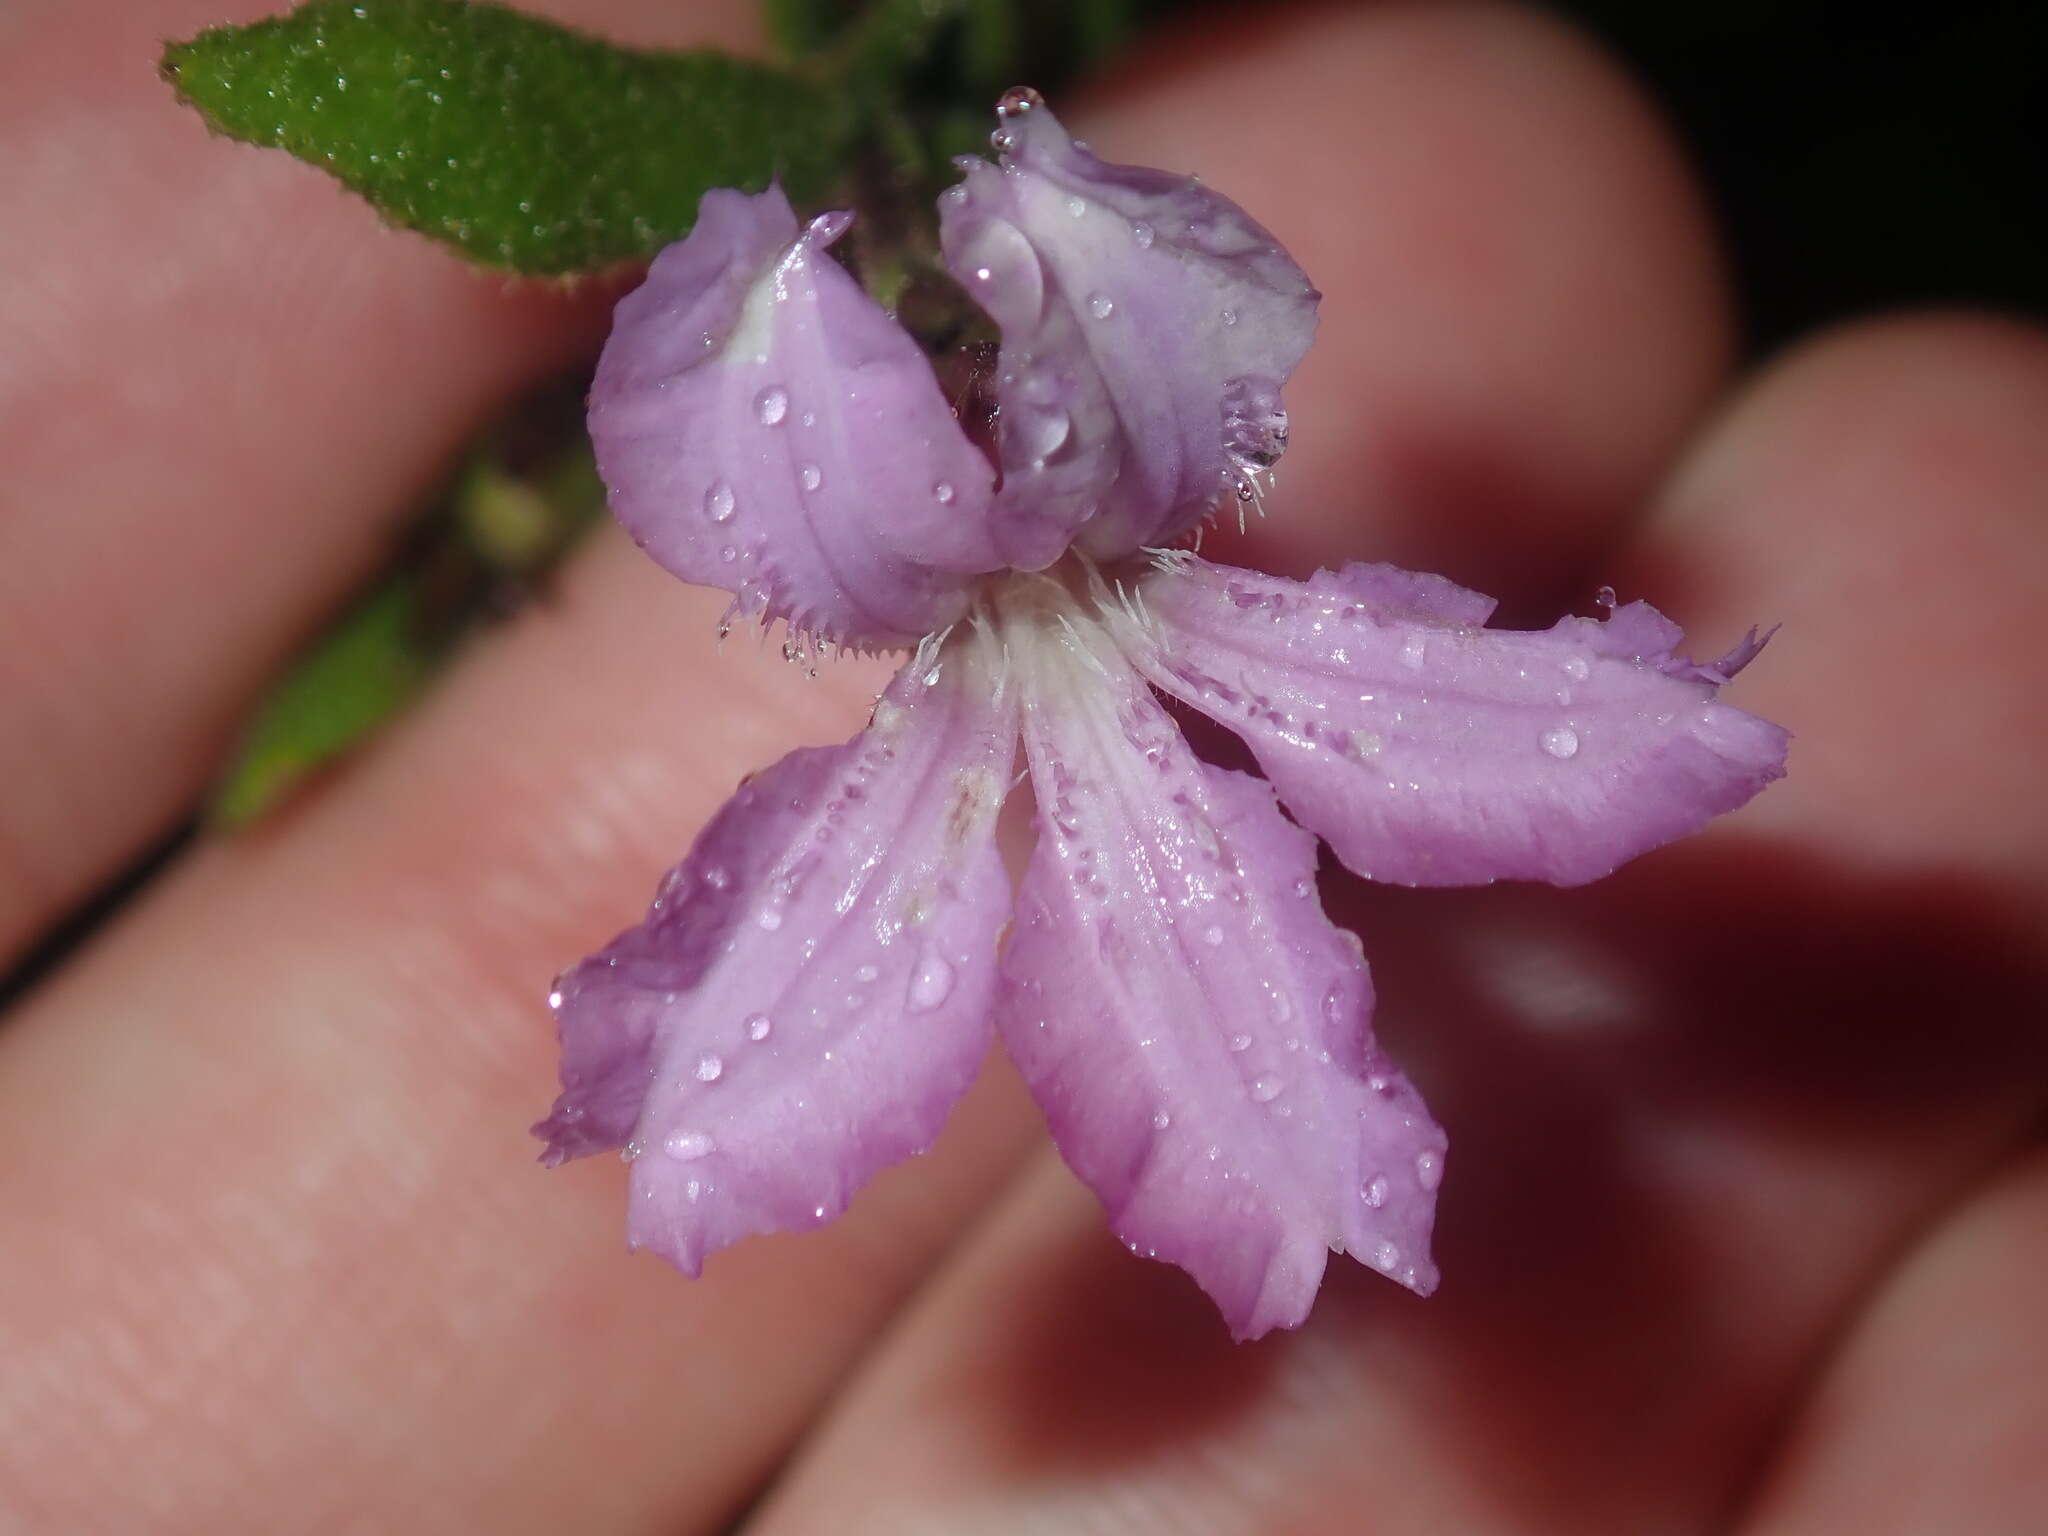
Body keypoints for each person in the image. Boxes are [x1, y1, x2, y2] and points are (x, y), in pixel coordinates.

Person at [0, 1, 2042, 1530]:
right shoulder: (834, 373)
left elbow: (918, 305)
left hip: (1110, 587)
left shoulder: (971, 401)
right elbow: (798, 338)